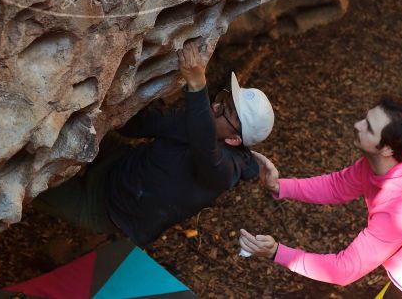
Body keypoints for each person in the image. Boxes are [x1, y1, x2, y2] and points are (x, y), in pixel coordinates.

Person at [34, 39, 275, 246]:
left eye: (226, 110)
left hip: (106, 209)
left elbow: (207, 150)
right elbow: (138, 125)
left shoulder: (224, 172)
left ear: (234, 139)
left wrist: (197, 86)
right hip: (117, 165)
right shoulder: (197, 121)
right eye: (222, 98)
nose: (215, 105)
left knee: (36, 186)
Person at [240, 96, 402, 299]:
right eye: (365, 119)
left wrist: (277, 253)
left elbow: (344, 270)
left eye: (369, 127)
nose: (357, 124)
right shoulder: (394, 159)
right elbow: (337, 186)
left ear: (386, 149)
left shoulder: (401, 212)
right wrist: (280, 186)